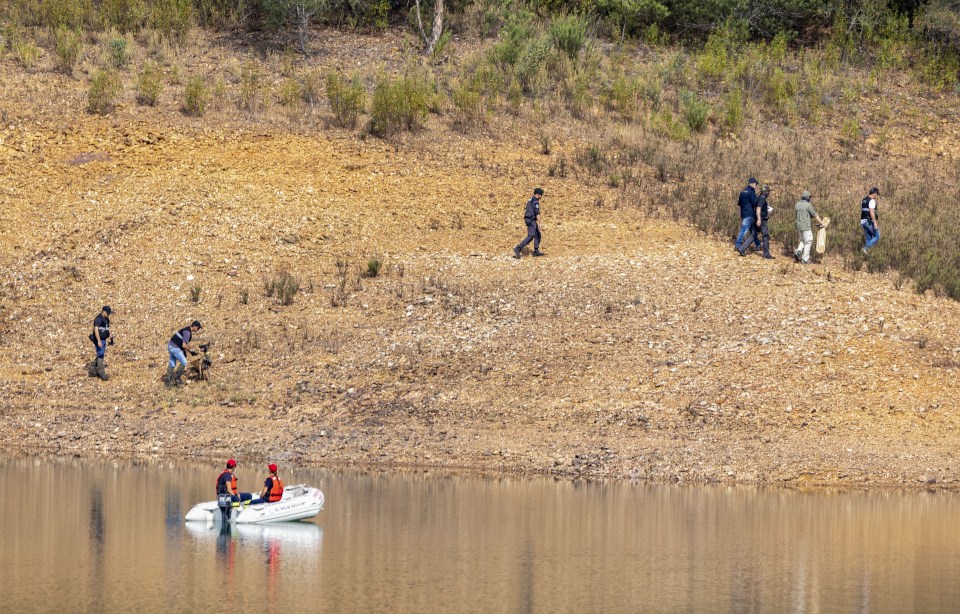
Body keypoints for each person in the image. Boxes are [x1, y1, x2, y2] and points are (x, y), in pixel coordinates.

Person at [739, 185, 774, 259]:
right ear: (765, 192)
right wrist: (759, 219)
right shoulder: (762, 199)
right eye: (768, 191)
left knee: (753, 235)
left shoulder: (758, 198)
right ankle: (766, 254)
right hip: (761, 220)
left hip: (756, 219)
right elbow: (758, 209)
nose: (769, 193)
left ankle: (742, 248)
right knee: (765, 236)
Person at [165, 320, 202, 387]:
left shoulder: (186, 330)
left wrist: (189, 349)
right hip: (174, 347)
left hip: (171, 345)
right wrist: (191, 352)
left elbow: (184, 343)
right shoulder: (187, 332)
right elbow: (184, 345)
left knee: (172, 362)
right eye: (198, 328)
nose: (198, 329)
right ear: (195, 326)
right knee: (184, 361)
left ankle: (168, 382)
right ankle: (177, 379)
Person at [794, 191, 825, 265]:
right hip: (806, 227)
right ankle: (805, 259)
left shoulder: (797, 204)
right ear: (807, 197)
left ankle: (798, 251)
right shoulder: (808, 205)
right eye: (809, 197)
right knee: (808, 241)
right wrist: (821, 223)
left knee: (802, 240)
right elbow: (815, 215)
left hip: (798, 226)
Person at [513, 187, 544, 258]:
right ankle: (518, 248)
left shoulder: (530, 200)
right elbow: (537, 213)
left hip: (530, 219)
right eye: (541, 194)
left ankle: (536, 251)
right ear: (538, 194)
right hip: (531, 220)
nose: (541, 196)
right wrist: (539, 223)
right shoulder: (535, 201)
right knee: (531, 236)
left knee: (537, 234)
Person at [735, 178, 762, 253]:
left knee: (753, 231)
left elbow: (740, 204)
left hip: (744, 213)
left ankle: (758, 244)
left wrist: (740, 215)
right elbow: (755, 203)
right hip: (749, 214)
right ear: (753, 184)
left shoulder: (742, 192)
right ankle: (738, 245)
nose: (756, 186)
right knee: (744, 229)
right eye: (756, 184)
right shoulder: (751, 192)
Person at [87, 306, 113, 380]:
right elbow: (96, 330)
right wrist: (98, 341)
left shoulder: (106, 319)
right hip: (99, 339)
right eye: (108, 313)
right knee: (101, 356)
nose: (108, 315)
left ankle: (91, 371)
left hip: (104, 339)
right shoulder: (98, 319)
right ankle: (102, 374)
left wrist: (110, 335)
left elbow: (107, 328)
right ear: (104, 311)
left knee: (100, 354)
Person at [861, 187, 880, 254]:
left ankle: (865, 254)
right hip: (868, 222)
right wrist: (875, 222)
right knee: (877, 236)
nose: (877, 196)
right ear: (875, 193)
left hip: (863, 221)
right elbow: (871, 212)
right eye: (877, 194)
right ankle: (865, 249)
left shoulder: (864, 200)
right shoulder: (871, 201)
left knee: (868, 237)